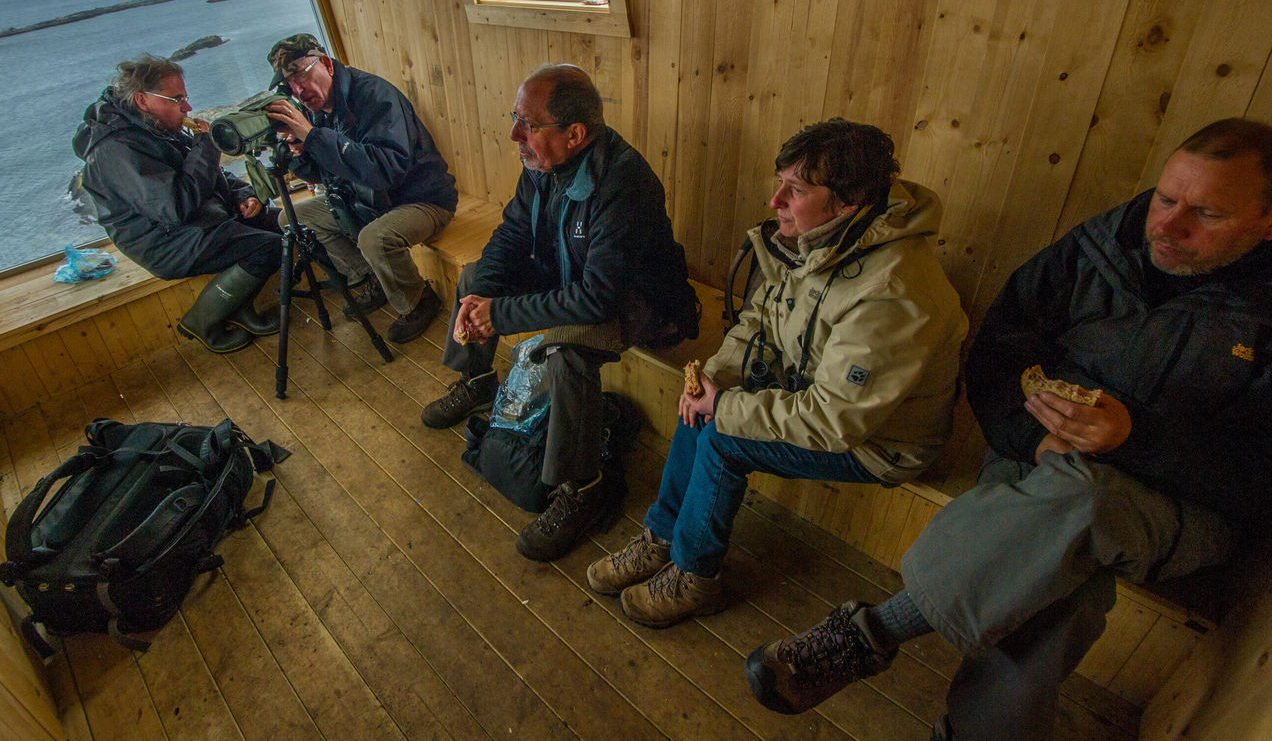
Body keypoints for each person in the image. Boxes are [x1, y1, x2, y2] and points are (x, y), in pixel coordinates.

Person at [744, 117, 1272, 740]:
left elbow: (1257, 477)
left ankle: (875, 631)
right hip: (1034, 455)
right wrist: (1029, 437)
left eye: (1206, 214)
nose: (1167, 225)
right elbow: (999, 348)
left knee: (1085, 498)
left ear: (1267, 223)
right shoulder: (1104, 246)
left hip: (1176, 503)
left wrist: (1136, 438)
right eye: (1165, 198)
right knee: (1055, 604)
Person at [587, 119, 968, 627]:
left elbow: (836, 422)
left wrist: (723, 407)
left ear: (848, 201)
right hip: (812, 391)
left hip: (877, 441)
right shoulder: (823, 237)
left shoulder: (893, 294)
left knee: (723, 432)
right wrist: (714, 378)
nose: (775, 202)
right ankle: (661, 536)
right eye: (781, 183)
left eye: (796, 190)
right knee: (701, 397)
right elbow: (760, 318)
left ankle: (694, 576)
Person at [421, 63, 700, 561]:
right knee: (472, 279)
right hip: (574, 273)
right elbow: (510, 234)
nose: (514, 135)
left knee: (567, 346)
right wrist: (479, 299)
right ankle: (476, 380)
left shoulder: (622, 182)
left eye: (527, 123)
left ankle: (583, 487)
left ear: (575, 134)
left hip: (641, 301)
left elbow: (598, 299)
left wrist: (500, 314)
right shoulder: (542, 163)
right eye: (515, 118)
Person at [73, 55, 282, 354]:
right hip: (164, 240)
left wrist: (243, 195)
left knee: (282, 224)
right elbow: (175, 206)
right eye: (176, 99)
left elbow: (212, 176)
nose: (186, 108)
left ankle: (237, 307)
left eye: (184, 97)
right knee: (270, 247)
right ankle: (202, 321)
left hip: (198, 219)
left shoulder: (150, 127)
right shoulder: (115, 151)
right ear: (143, 100)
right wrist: (206, 146)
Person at [263, 34, 458, 344]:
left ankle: (420, 300)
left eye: (301, 73)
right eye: (289, 83)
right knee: (291, 219)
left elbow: (384, 171)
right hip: (366, 201)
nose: (298, 89)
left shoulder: (373, 96)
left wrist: (313, 137)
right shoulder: (315, 111)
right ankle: (373, 277)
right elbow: (323, 175)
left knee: (374, 238)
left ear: (325, 63)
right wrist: (300, 153)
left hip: (421, 199)